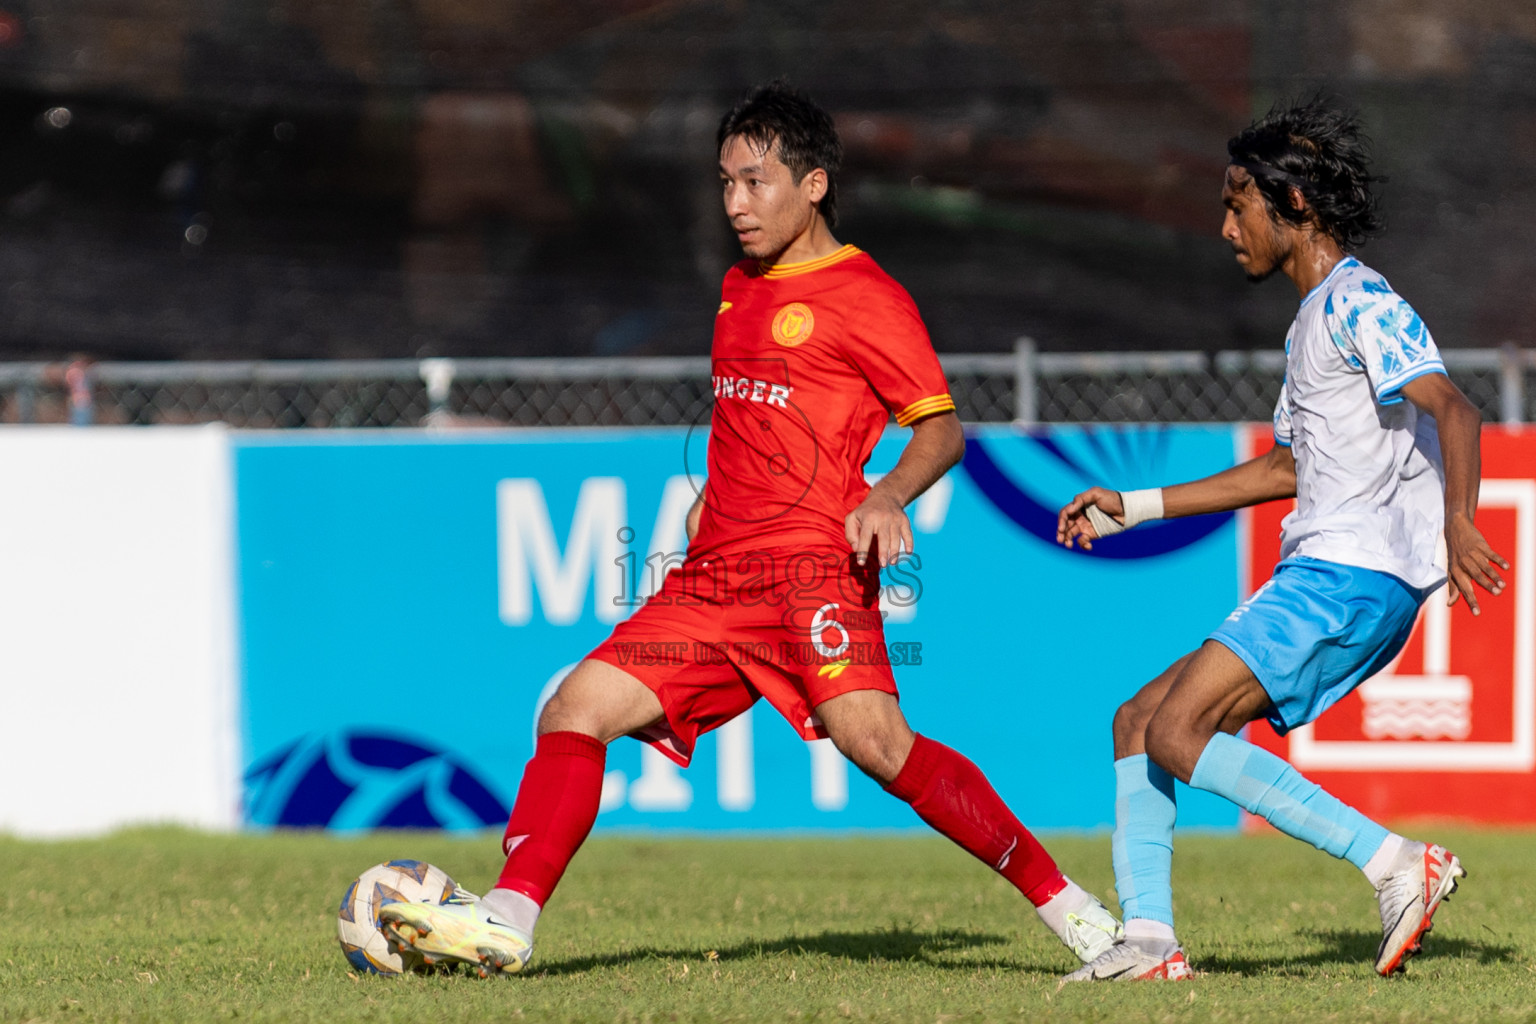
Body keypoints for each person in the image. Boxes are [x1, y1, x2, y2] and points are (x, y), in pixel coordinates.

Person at [380, 81, 1122, 977]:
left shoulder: (867, 296)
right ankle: (508, 918)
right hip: (715, 580)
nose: (736, 203)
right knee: (572, 710)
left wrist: (886, 494)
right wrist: (709, 497)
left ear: (813, 184)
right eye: (726, 182)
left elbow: (943, 429)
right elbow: (750, 414)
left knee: (879, 745)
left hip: (812, 569)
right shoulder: (738, 287)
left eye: (755, 181)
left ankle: (1081, 920)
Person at [1054, 98, 1509, 983]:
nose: (1226, 226)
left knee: (1179, 730)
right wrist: (1133, 506)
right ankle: (1149, 941)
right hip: (1325, 571)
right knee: (1140, 722)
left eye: (1238, 203)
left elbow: (1453, 405)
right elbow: (1282, 472)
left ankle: (1392, 862)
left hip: (1350, 574)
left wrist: (1458, 520)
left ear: (1292, 201)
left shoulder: (1362, 301)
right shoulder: (1312, 320)